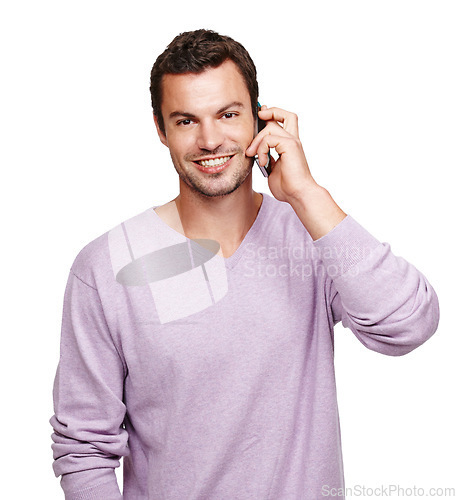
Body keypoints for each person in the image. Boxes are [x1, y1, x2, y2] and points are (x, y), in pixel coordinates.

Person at [50, 29, 439, 499]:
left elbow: (407, 326)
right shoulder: (104, 268)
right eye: (186, 120)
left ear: (259, 118)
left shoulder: (312, 234)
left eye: (228, 114)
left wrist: (306, 194)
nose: (210, 139)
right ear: (161, 129)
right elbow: (84, 448)